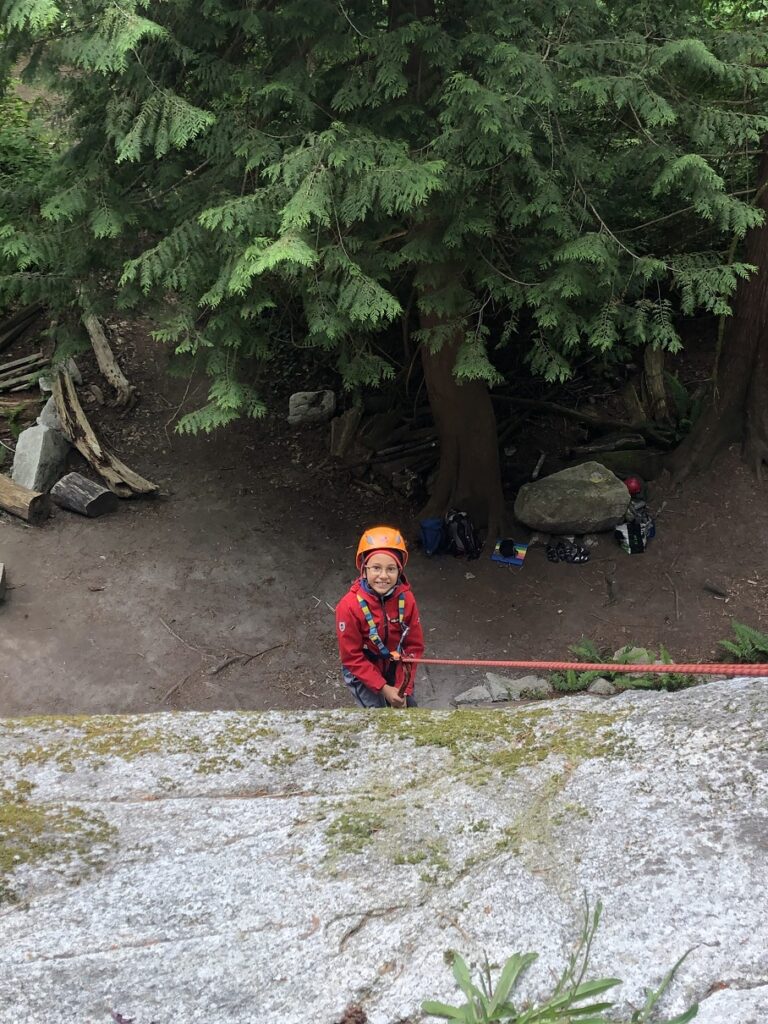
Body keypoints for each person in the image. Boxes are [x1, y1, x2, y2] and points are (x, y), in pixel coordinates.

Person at [335, 525, 425, 708]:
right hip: (361, 669)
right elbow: (351, 657)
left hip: (397, 665)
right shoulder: (349, 606)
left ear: (399, 571)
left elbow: (414, 646)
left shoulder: (406, 599)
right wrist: (384, 688)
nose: (383, 576)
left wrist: (403, 688)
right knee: (377, 716)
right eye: (376, 568)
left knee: (409, 709)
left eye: (391, 569)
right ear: (364, 569)